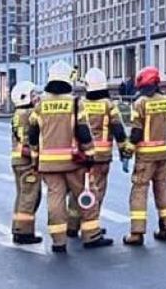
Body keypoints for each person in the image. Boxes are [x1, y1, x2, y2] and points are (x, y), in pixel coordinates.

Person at [28, 61, 95, 254]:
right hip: (73, 161)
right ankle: (91, 234)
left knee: (54, 199)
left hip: (48, 163)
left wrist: (35, 158)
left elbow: (32, 134)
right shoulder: (74, 102)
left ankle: (58, 241)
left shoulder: (40, 104)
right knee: (84, 196)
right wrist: (90, 154)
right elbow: (83, 131)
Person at [122, 66, 166, 246]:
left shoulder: (140, 103)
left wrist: (128, 151)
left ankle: (136, 233)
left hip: (145, 156)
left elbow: (136, 132)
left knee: (139, 192)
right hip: (162, 153)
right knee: (163, 190)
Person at [79, 67, 126, 248]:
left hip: (84, 155)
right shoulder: (109, 105)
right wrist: (125, 152)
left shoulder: (82, 103)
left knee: (82, 190)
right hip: (102, 157)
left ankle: (76, 225)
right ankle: (92, 227)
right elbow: (119, 130)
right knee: (97, 192)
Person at [9, 81, 42, 244]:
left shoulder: (18, 113)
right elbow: (29, 140)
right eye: (33, 95)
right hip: (27, 161)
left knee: (22, 196)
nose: (37, 98)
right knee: (29, 197)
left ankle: (17, 228)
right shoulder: (28, 114)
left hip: (17, 160)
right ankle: (24, 232)